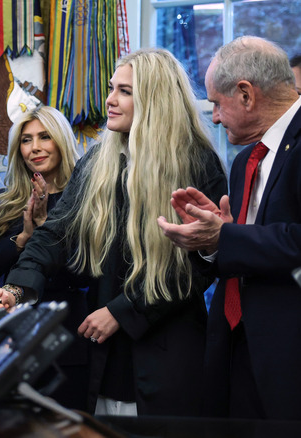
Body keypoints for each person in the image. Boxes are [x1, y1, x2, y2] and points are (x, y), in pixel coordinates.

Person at [0, 48, 227, 416]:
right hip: (103, 354)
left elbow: (198, 266)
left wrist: (122, 311)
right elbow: (54, 234)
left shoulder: (197, 162)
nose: (110, 100)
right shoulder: (98, 162)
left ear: (155, 99)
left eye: (125, 91)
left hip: (168, 352)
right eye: (111, 88)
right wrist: (15, 288)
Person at [157, 36, 301, 421]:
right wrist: (213, 242)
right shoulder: (243, 162)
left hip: (287, 359)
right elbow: (245, 249)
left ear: (246, 94)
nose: (215, 118)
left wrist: (227, 236)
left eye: (217, 105)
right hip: (235, 350)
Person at [0, 106, 88, 410]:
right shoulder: (5, 201)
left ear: (62, 141)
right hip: (13, 336)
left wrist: (45, 227)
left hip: (69, 333)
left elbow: (87, 272)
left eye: (45, 137)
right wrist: (23, 238)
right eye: (26, 140)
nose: (35, 148)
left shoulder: (86, 197)